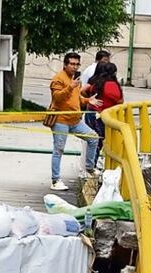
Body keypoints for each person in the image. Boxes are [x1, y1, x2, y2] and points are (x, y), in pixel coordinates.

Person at [47, 52, 98, 191]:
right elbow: (57, 98)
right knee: (59, 150)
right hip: (61, 120)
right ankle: (55, 180)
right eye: (72, 64)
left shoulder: (76, 79)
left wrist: (88, 100)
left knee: (93, 138)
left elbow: (76, 99)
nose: (74, 67)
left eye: (77, 64)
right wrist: (70, 86)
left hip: (75, 120)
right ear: (65, 64)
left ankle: (90, 168)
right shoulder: (58, 78)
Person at [82, 61, 123, 156]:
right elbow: (120, 101)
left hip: (91, 112)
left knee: (93, 139)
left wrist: (88, 98)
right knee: (98, 140)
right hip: (102, 116)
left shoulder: (96, 81)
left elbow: (83, 90)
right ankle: (92, 163)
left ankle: (90, 162)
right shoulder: (110, 84)